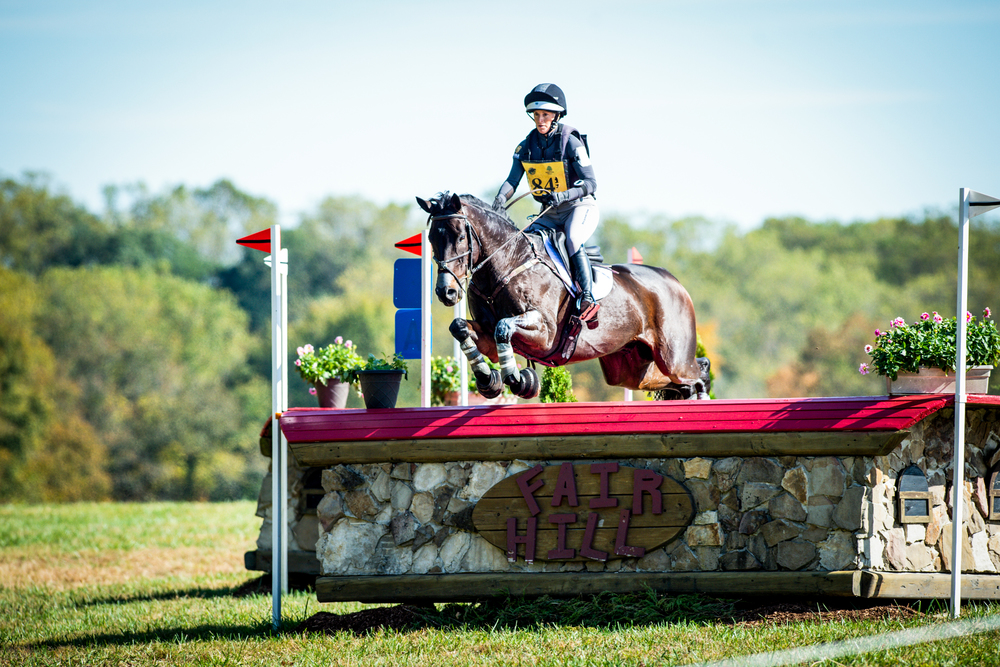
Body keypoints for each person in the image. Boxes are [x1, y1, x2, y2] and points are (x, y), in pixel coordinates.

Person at [492, 83, 600, 321]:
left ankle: (587, 297)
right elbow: (513, 180)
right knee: (523, 242)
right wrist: (500, 198)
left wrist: (564, 195)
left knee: (572, 238)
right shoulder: (526, 146)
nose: (540, 120)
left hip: (579, 207)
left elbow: (591, 183)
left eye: (546, 115)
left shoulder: (571, 142)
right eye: (537, 115)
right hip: (549, 212)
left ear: (556, 116)